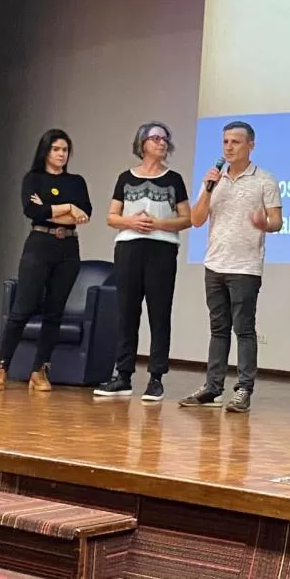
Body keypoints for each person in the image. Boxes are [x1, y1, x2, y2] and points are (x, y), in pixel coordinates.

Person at [179, 121, 282, 413]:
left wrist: (264, 224)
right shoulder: (214, 179)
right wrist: (208, 189)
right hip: (214, 263)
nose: (228, 147)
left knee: (244, 329)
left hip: (245, 267)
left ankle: (244, 389)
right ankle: (213, 387)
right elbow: (196, 220)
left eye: (235, 142)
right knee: (218, 328)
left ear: (251, 145)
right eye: (225, 141)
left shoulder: (265, 180)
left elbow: (277, 222)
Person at [0, 129, 92, 392]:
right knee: (22, 308)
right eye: (56, 149)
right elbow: (32, 210)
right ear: (46, 151)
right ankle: (1, 368)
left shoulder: (76, 182)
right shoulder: (33, 179)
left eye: (65, 150)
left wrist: (53, 210)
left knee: (54, 312)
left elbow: (85, 214)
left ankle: (39, 371)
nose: (61, 154)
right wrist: (68, 207)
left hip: (68, 248)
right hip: (39, 245)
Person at [94, 122, 191, 402]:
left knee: (159, 313)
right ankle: (123, 375)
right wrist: (131, 222)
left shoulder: (174, 179)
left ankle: (156, 378)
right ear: (142, 144)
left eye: (165, 139)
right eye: (155, 138)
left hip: (162, 250)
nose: (162, 142)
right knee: (127, 311)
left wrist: (159, 223)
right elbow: (111, 216)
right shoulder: (126, 177)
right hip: (128, 248)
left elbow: (187, 218)